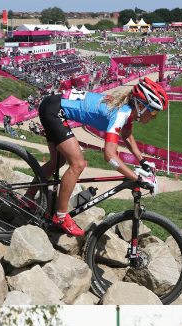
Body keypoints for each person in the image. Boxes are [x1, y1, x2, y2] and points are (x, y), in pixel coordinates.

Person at [33, 78, 167, 236]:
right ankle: (61, 216)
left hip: (52, 105)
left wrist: (142, 161)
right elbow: (109, 156)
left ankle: (27, 201)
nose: (154, 117)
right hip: (54, 111)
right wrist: (137, 178)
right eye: (153, 112)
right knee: (78, 164)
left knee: (58, 161)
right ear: (140, 106)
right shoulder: (121, 113)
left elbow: (127, 135)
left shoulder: (128, 112)